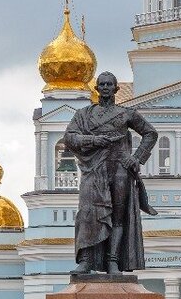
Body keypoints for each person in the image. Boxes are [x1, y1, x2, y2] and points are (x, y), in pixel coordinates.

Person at [65, 71, 158, 275]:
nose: (105, 87)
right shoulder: (83, 115)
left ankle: (113, 261)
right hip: (94, 169)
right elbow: (70, 137)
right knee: (87, 213)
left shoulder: (126, 114)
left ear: (116, 89)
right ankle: (87, 260)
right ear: (96, 89)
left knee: (118, 215)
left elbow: (150, 133)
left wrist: (136, 158)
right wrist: (92, 141)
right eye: (102, 84)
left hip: (119, 169)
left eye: (109, 84)